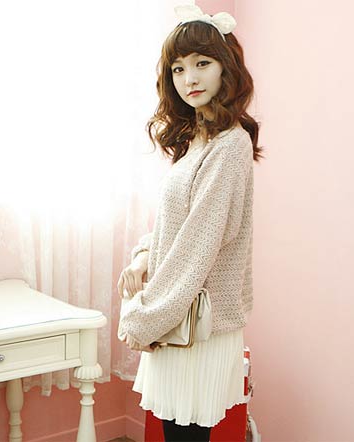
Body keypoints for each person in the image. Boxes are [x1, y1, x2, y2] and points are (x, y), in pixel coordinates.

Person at [117, 5, 263, 441]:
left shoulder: (230, 145)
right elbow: (175, 225)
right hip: (179, 315)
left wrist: (144, 318)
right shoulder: (198, 141)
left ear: (226, 68)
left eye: (202, 63)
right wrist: (144, 256)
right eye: (178, 68)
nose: (189, 79)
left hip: (196, 323)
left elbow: (198, 245)